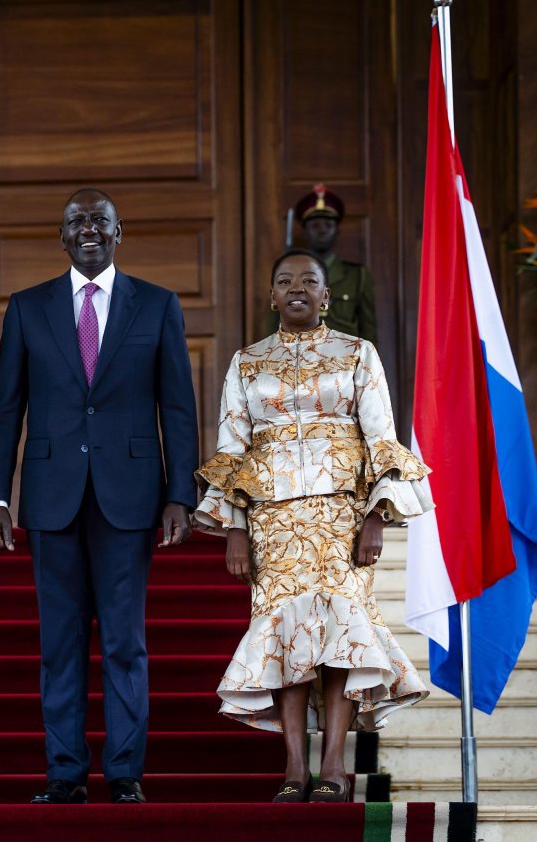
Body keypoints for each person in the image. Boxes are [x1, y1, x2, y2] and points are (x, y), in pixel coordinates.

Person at [0, 189, 199, 805]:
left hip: (130, 498)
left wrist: (181, 492)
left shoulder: (157, 306)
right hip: (51, 498)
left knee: (125, 642)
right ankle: (66, 772)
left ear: (118, 230)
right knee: (60, 642)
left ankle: (125, 770)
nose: (88, 230)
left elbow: (177, 408)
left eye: (99, 221)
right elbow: (6, 411)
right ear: (62, 235)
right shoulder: (27, 308)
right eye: (77, 222)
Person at [196, 249, 431, 803]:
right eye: (284, 281)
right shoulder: (246, 362)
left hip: (339, 517)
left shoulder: (357, 353)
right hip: (272, 520)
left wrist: (376, 515)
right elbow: (233, 448)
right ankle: (294, 769)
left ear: (327, 296)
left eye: (309, 281)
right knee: (284, 636)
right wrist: (234, 528)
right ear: (271, 296)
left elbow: (380, 437)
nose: (296, 288)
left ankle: (334, 766)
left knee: (339, 638)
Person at [266, 184, 378, 346]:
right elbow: (272, 325)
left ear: (337, 230)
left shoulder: (358, 277)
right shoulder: (285, 275)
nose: (322, 230)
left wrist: (368, 368)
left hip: (344, 363)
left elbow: (369, 332)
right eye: (315, 226)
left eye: (328, 225)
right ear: (304, 232)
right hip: (297, 359)